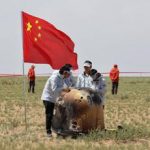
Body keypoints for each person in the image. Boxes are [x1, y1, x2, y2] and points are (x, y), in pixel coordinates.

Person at [41, 66, 71, 137]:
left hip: (55, 98)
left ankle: (59, 129)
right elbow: (54, 89)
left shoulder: (62, 78)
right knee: (49, 115)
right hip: (48, 98)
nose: (69, 75)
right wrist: (64, 89)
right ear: (65, 72)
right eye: (68, 74)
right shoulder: (54, 78)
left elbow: (65, 87)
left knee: (60, 113)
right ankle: (48, 132)